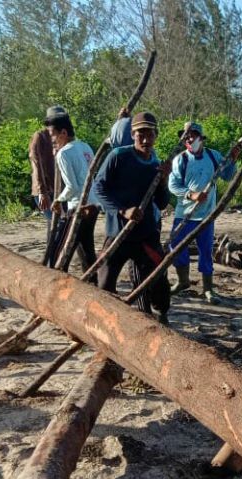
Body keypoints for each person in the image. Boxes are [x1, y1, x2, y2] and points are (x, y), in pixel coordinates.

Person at [91, 112, 172, 323]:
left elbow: (162, 203)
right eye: (140, 134)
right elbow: (99, 187)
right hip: (118, 233)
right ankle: (108, 321)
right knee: (105, 283)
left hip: (146, 234)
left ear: (156, 135)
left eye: (150, 134)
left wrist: (164, 181)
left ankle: (161, 315)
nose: (145, 140)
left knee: (158, 279)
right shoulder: (118, 156)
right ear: (133, 135)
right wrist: (122, 210)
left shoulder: (157, 164)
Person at [167, 121, 239, 304]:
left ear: (201, 138)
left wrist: (233, 159)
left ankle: (208, 288)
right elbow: (173, 185)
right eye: (186, 136)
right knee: (176, 246)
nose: (190, 138)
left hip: (206, 216)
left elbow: (228, 175)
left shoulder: (213, 156)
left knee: (205, 250)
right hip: (184, 213)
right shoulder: (180, 160)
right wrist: (191, 195)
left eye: (193, 135)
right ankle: (183, 281)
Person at [46, 106, 99, 281]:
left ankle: (57, 285)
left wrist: (58, 200)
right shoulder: (85, 146)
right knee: (87, 250)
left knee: (59, 253)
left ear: (63, 132)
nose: (51, 139)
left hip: (78, 207)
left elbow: (73, 187)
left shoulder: (64, 153)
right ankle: (93, 284)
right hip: (93, 204)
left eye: (52, 134)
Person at [30, 108, 59, 265]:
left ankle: (54, 262)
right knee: (53, 225)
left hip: (58, 190)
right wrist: (42, 191)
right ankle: (50, 263)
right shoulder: (40, 136)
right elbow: (36, 163)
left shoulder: (60, 136)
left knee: (61, 225)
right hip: (44, 190)